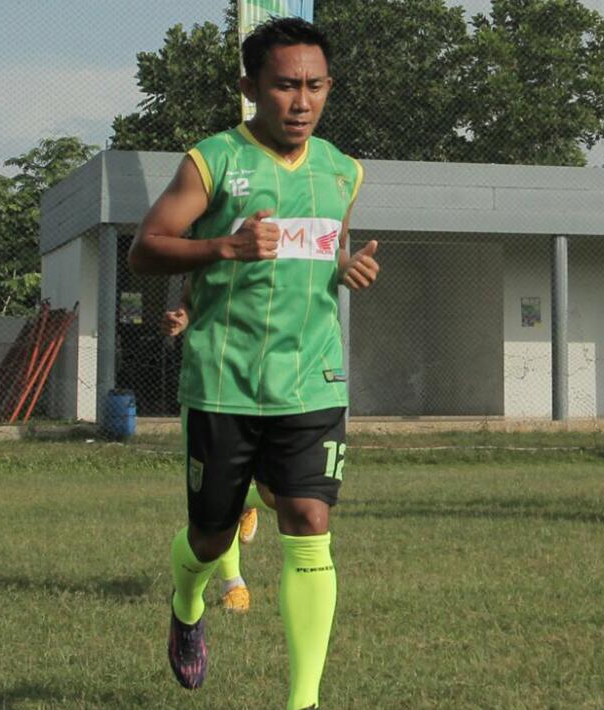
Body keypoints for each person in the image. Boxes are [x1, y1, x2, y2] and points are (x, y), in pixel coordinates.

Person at [128, 17, 380, 707]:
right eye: (284, 86)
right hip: (224, 382)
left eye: (315, 86)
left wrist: (346, 268)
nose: (301, 102)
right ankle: (186, 605)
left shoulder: (343, 171)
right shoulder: (211, 161)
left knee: (308, 519)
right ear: (250, 87)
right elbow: (145, 248)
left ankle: (303, 702)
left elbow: (325, 254)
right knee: (210, 538)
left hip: (312, 379)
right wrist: (221, 249)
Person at [161, 282, 279, 613]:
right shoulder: (218, 238)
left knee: (282, 496)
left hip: (276, 383)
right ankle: (233, 583)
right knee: (215, 513)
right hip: (213, 389)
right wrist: (184, 316)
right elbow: (195, 288)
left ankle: (246, 501)